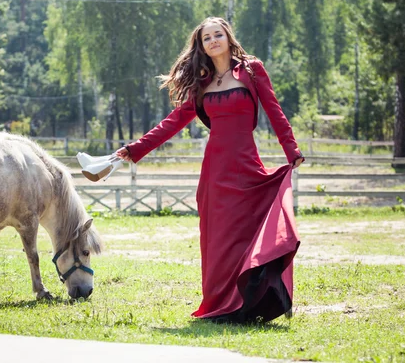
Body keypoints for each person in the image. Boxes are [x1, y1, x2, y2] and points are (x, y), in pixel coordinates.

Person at [115, 17, 304, 324]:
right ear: (201, 45)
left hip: (247, 166)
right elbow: (173, 122)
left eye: (218, 34)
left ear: (229, 37)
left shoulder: (252, 70)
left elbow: (274, 109)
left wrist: (291, 149)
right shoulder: (201, 83)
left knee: (246, 234)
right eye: (207, 37)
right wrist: (137, 148)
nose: (214, 40)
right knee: (218, 241)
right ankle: (220, 305)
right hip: (215, 171)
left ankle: (254, 301)